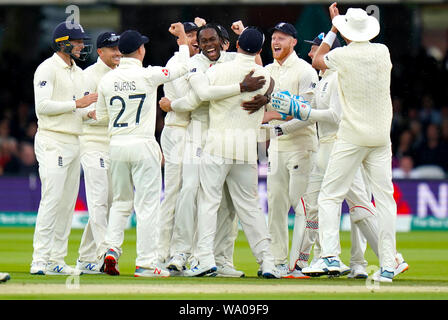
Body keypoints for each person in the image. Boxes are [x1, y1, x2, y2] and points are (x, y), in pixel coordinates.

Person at [272, 32, 409, 279]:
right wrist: (302, 110)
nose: (313, 53)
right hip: (330, 146)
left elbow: (335, 116)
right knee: (319, 204)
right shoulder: (326, 78)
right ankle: (308, 262)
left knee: (354, 206)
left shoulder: (337, 78)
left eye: (315, 48)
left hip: (341, 145)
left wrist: (303, 111)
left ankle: (375, 259)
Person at [159, 23, 266, 277]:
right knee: (189, 191)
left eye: (211, 40)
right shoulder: (195, 62)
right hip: (198, 131)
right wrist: (174, 105)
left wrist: (267, 95)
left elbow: (262, 73)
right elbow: (202, 96)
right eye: (202, 41)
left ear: (224, 42)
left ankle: (222, 259)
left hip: (225, 133)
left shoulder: (231, 59)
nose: (207, 45)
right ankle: (181, 253)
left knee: (227, 203)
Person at [307, 3, 400, 282]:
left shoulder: (342, 56)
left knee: (330, 195)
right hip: (381, 136)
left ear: (348, 31)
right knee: (384, 200)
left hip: (352, 136)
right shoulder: (383, 52)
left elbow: (317, 60)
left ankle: (330, 256)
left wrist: (334, 28)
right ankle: (387, 265)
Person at [95, 24, 190, 278]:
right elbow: (181, 68)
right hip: (142, 144)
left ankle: (111, 249)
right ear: (140, 50)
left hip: (116, 146)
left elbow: (102, 116)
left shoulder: (106, 79)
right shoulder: (149, 75)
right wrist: (182, 41)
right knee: (147, 206)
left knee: (120, 203)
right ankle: (146, 263)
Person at [191, 27, 281, 278]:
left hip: (218, 146)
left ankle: (205, 259)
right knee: (250, 208)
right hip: (245, 149)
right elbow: (272, 83)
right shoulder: (264, 75)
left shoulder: (218, 70)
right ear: (260, 50)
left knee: (209, 203)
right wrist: (266, 96)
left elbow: (201, 95)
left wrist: (241, 88)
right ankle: (268, 262)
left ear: (236, 43)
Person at [30, 21, 98, 276]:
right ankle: (39, 259)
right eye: (78, 41)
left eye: (82, 41)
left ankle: (56, 259)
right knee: (52, 199)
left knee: (68, 202)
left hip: (74, 140)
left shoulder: (78, 73)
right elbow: (43, 107)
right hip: (53, 139)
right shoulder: (47, 69)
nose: (82, 46)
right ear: (64, 43)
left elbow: (76, 110)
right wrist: (76, 103)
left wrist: (87, 113)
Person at [264, 21, 319, 277]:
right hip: (277, 147)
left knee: (301, 206)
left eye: (282, 38)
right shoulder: (267, 71)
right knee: (275, 205)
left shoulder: (306, 71)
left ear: (293, 42)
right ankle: (277, 262)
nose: (276, 42)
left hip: (301, 147)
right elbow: (263, 111)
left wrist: (280, 126)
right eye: (274, 37)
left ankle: (299, 263)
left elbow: (307, 115)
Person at [75, 31, 121, 274]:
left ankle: (84, 258)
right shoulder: (88, 75)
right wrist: (91, 114)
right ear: (100, 52)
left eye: (119, 48)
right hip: (92, 143)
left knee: (112, 202)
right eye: (112, 49)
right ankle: (105, 253)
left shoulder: (122, 74)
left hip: (114, 145)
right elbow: (78, 109)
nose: (117, 53)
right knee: (98, 201)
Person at [157, 21, 200, 268]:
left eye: (196, 34)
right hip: (176, 130)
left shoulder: (195, 62)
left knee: (189, 195)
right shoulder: (176, 63)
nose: (194, 39)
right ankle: (161, 253)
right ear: (180, 39)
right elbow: (190, 99)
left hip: (192, 133)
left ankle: (183, 253)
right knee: (173, 193)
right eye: (189, 35)